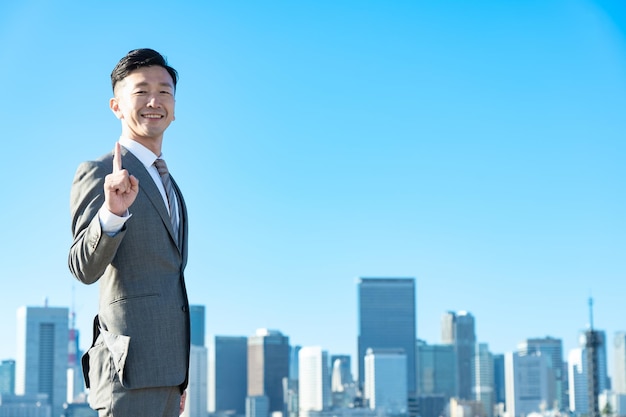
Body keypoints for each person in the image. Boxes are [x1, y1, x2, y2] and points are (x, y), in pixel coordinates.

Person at [68, 48, 190, 416]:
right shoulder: (99, 172)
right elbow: (82, 267)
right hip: (127, 374)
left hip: (168, 375)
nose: (155, 101)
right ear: (116, 106)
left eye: (164, 91)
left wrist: (179, 378)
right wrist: (111, 214)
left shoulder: (171, 185)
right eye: (141, 91)